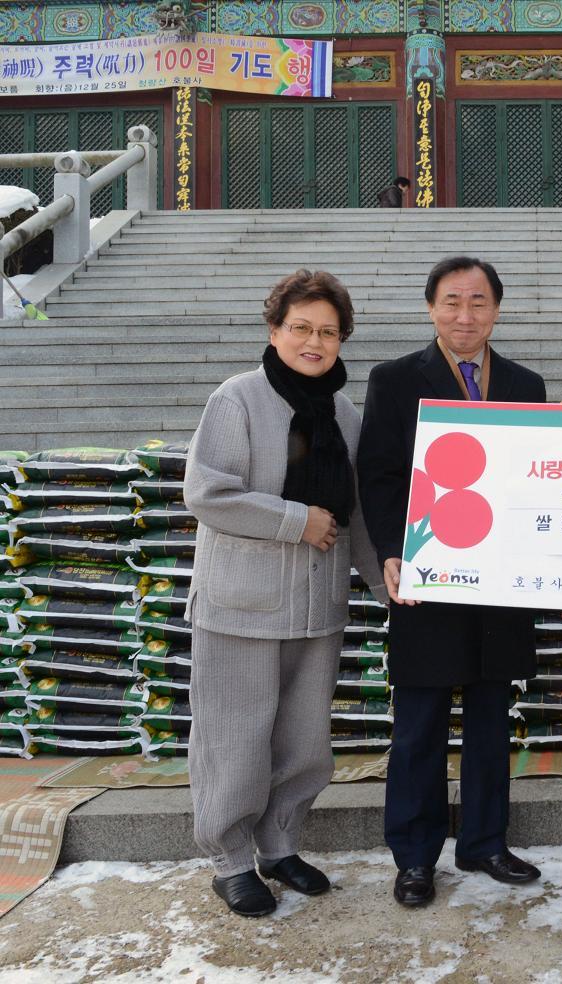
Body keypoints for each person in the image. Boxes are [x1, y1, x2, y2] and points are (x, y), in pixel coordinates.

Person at [185, 269, 385, 918]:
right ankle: (231, 860)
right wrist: (297, 520)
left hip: (315, 612)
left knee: (303, 743)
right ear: (274, 331)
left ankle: (278, 845)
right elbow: (208, 493)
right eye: (300, 328)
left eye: (328, 332)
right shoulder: (238, 400)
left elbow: (353, 515)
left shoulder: (344, 413)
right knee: (235, 739)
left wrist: (387, 585)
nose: (313, 341)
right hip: (241, 608)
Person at [357, 255, 547, 908]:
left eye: (477, 302)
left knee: (492, 716)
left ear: (496, 308)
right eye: (450, 301)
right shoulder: (394, 380)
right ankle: (414, 857)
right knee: (420, 723)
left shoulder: (525, 384)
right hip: (428, 575)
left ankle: (485, 843)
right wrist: (389, 549)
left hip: (500, 583)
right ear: (430, 307)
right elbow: (377, 474)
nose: (464, 315)